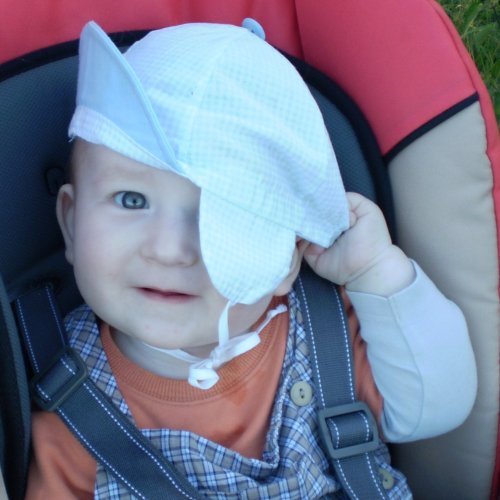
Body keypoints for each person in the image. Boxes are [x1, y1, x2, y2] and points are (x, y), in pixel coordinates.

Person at [25, 20, 477, 499]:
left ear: (287, 259)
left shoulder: (326, 335)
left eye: (221, 215)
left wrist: (376, 271)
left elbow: (436, 407)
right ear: (71, 222)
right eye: (131, 200)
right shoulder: (71, 407)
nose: (167, 249)